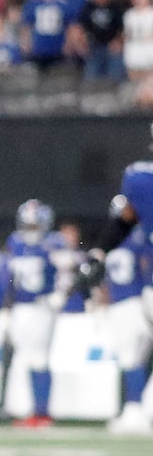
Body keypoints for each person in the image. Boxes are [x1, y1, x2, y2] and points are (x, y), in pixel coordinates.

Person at [0, 198, 70, 426]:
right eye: (28, 225)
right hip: (20, 307)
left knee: (39, 359)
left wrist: (61, 295)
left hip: (42, 306)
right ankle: (36, 411)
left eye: (35, 226)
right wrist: (5, 308)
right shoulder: (15, 242)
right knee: (28, 359)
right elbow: (8, 279)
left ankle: (42, 412)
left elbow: (67, 273)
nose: (31, 230)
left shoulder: (55, 243)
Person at [97, 163, 153, 433]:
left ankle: (137, 409)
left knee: (132, 357)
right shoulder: (140, 178)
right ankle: (139, 409)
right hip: (138, 295)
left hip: (135, 298)